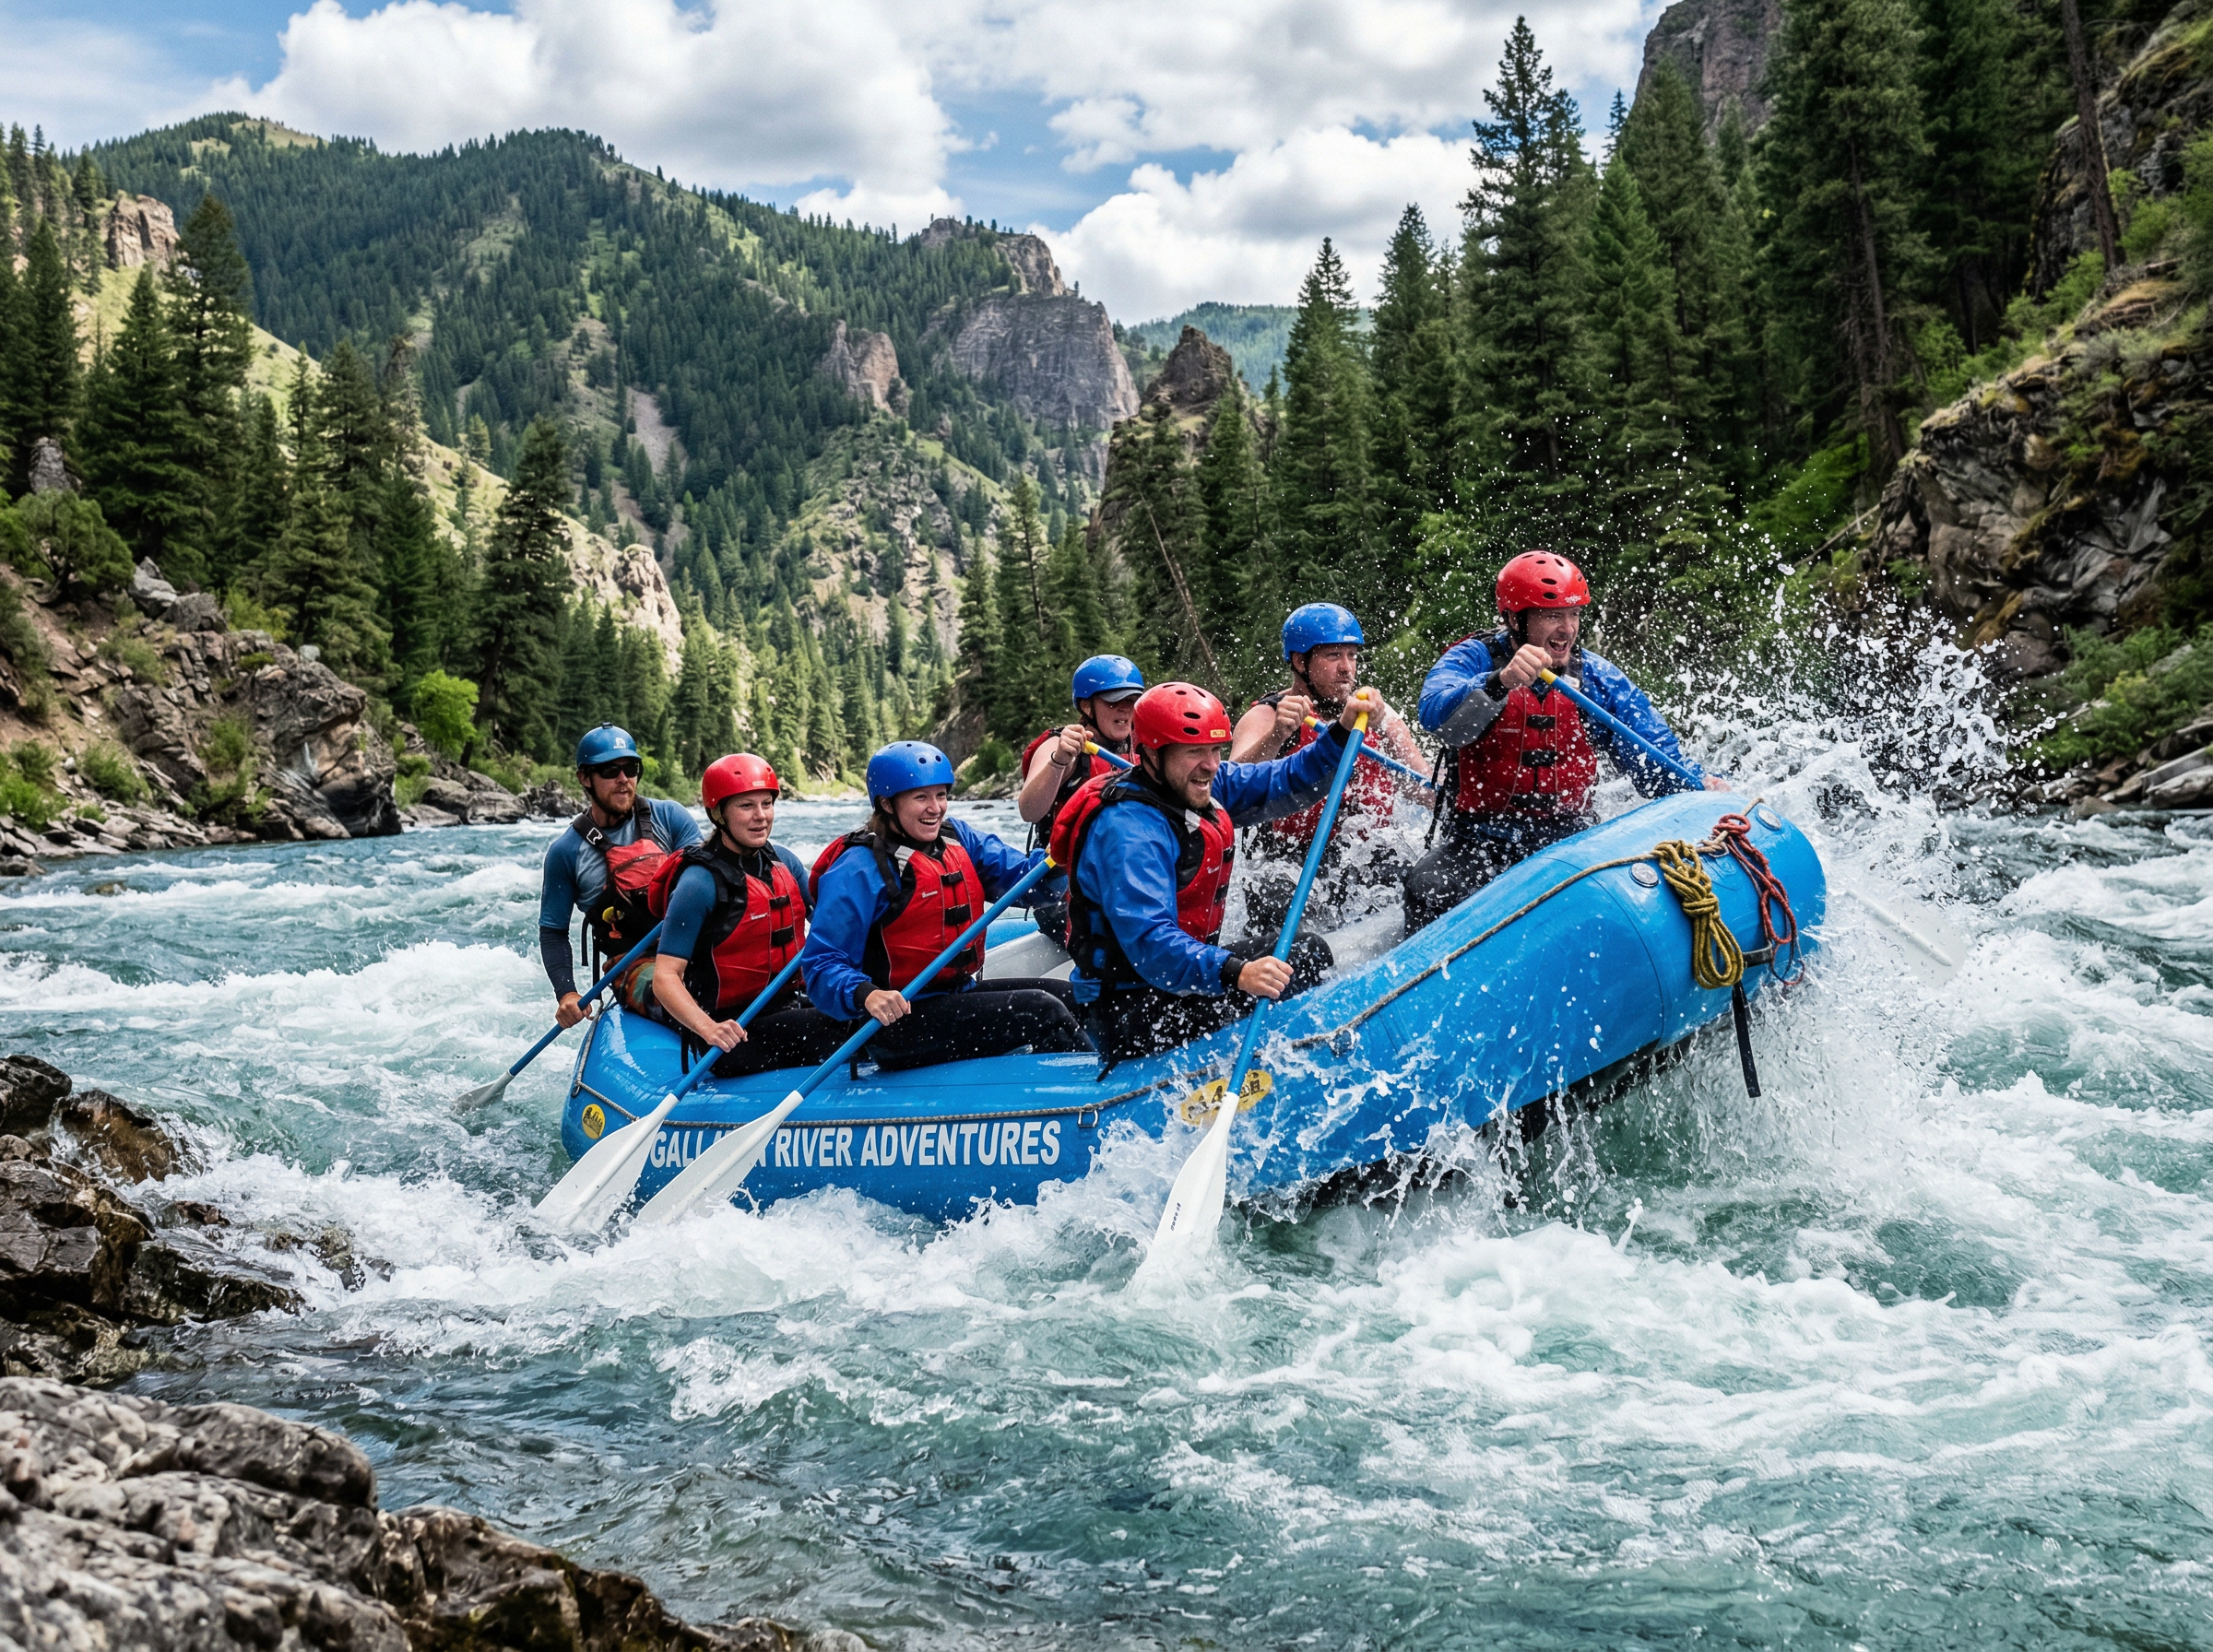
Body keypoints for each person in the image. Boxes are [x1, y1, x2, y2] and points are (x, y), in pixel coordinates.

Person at [1054, 680, 1389, 1066]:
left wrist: (1342, 730)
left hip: (1178, 985)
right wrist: (1236, 972)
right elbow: (1151, 944)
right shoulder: (1129, 832)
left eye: (1215, 749)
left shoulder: (1196, 786)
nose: (1210, 765)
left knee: (1305, 952)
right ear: (1150, 753)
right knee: (1284, 968)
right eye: (1195, 751)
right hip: (1132, 1011)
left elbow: (1290, 777)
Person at [1402, 551, 1730, 932]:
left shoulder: (1596, 677)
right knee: (1426, 889)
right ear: (1514, 619)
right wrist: (1499, 682)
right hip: (1478, 838)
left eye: (1573, 615)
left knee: (1605, 908)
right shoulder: (1475, 658)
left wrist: (1700, 785)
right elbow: (1434, 715)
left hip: (1567, 838)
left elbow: (1652, 757)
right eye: (1552, 615)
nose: (1567, 629)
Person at [801, 741, 1093, 1071]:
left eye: (940, 795)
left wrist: (1062, 859)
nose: (935, 808)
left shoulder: (958, 839)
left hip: (957, 996)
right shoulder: (858, 868)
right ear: (887, 803)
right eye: (921, 797)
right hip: (897, 1024)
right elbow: (821, 964)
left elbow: (1027, 880)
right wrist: (866, 994)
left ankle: (1090, 1073)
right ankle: (1096, 1094)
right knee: (1042, 1011)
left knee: (1072, 997)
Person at [642, 753, 846, 1078]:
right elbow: (665, 978)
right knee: (843, 1027)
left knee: (854, 1010)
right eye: (746, 806)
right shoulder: (699, 882)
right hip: (731, 1031)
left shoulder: (784, 863)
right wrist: (709, 1029)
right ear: (719, 814)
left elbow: (833, 931)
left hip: (791, 1005)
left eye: (766, 804)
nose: (761, 817)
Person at [1228, 603, 1426, 937]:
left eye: (1352, 656)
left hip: (1362, 852)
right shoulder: (1268, 717)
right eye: (1334, 656)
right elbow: (1228, 791)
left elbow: (1423, 789)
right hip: (1287, 861)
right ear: (1299, 662)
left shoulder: (1378, 714)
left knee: (1413, 877)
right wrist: (1277, 736)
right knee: (1273, 900)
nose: (1347, 668)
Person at [538, 723, 701, 1027]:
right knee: (686, 997)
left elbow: (709, 880)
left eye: (631, 768)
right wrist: (567, 993)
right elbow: (553, 931)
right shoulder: (566, 852)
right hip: (632, 964)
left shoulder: (670, 817)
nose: (624, 779)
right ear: (585, 778)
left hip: (694, 948)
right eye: (610, 770)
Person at [1017, 654, 1145, 946]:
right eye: (1114, 701)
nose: (1125, 710)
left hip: (1123, 882)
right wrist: (1060, 760)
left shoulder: (1142, 747)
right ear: (1087, 706)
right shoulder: (1061, 744)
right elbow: (1030, 810)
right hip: (1065, 892)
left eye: (1132, 701)